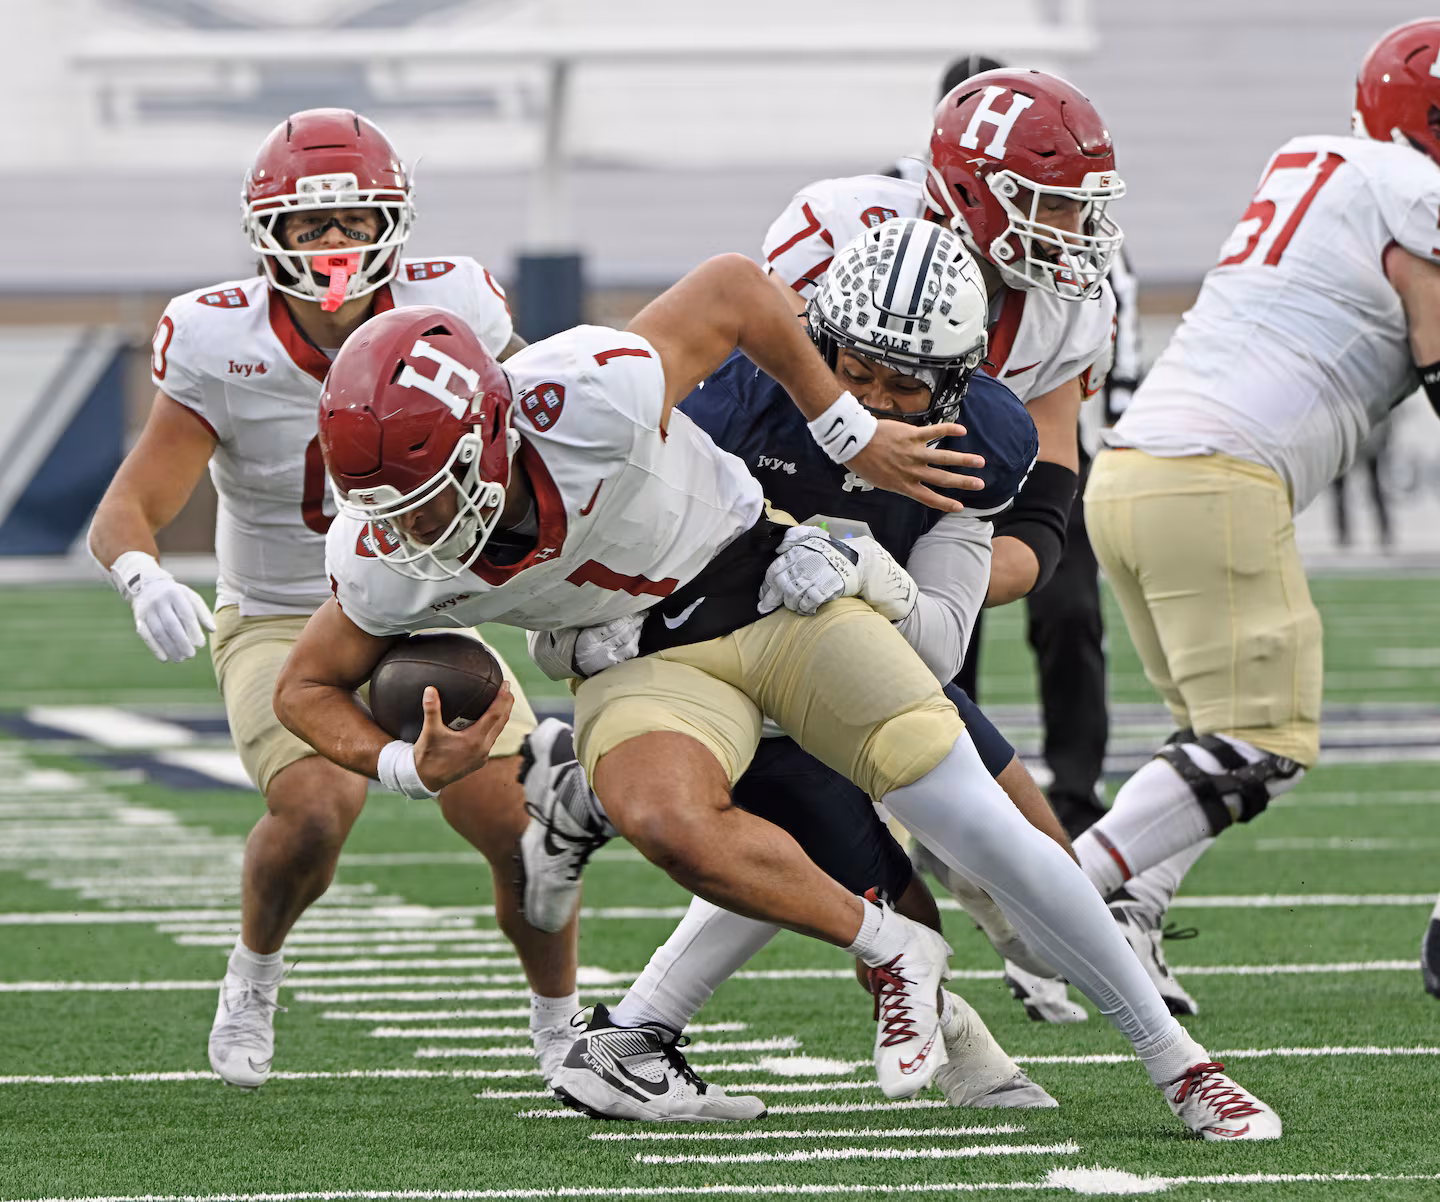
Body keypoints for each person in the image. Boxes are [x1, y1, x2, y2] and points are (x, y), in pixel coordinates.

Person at [275, 249, 1280, 1140]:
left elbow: (731, 287)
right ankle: (885, 952)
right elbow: (306, 684)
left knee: (981, 825)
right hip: (641, 663)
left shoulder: (590, 395)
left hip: (768, 590)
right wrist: (403, 765)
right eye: (391, 508)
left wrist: (849, 458)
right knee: (672, 817)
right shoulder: (386, 554)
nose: (417, 527)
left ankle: (1182, 1066)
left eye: (437, 492)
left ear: (497, 429)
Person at [85, 108, 578, 1090]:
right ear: (267, 233)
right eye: (311, 224)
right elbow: (130, 503)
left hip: (419, 603)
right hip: (280, 609)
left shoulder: (454, 307)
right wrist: (142, 572)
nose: (335, 243)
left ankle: (562, 1030)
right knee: (315, 808)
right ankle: (254, 974)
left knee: (522, 831)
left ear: (395, 223)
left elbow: (537, 434)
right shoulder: (219, 340)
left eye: (355, 219)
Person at [530, 218, 1060, 1118]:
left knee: (1045, 895)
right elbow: (629, 529)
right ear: (817, 339)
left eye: (906, 385)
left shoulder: (983, 435)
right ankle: (990, 1052)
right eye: (856, 371)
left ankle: (634, 1015)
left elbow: (938, 641)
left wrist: (863, 563)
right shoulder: (739, 403)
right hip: (732, 672)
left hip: (874, 660)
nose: (877, 402)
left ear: (956, 382)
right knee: (891, 918)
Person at [1040, 20, 1440, 1015]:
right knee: (1265, 740)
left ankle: (1130, 913)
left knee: (1212, 746)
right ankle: (1060, 904)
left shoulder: (1319, 164)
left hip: (1137, 473)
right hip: (1215, 478)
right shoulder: (1415, 195)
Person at [761, 68, 1123, 1023]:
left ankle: (1060, 951)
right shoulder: (844, 228)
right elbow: (752, 386)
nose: (1072, 229)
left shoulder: (1066, 307)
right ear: (972, 191)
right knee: (821, 805)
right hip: (779, 527)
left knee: (972, 807)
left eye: (1078, 205)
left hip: (919, 539)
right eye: (1049, 204)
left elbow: (1044, 507)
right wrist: (860, 445)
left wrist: (927, 589)